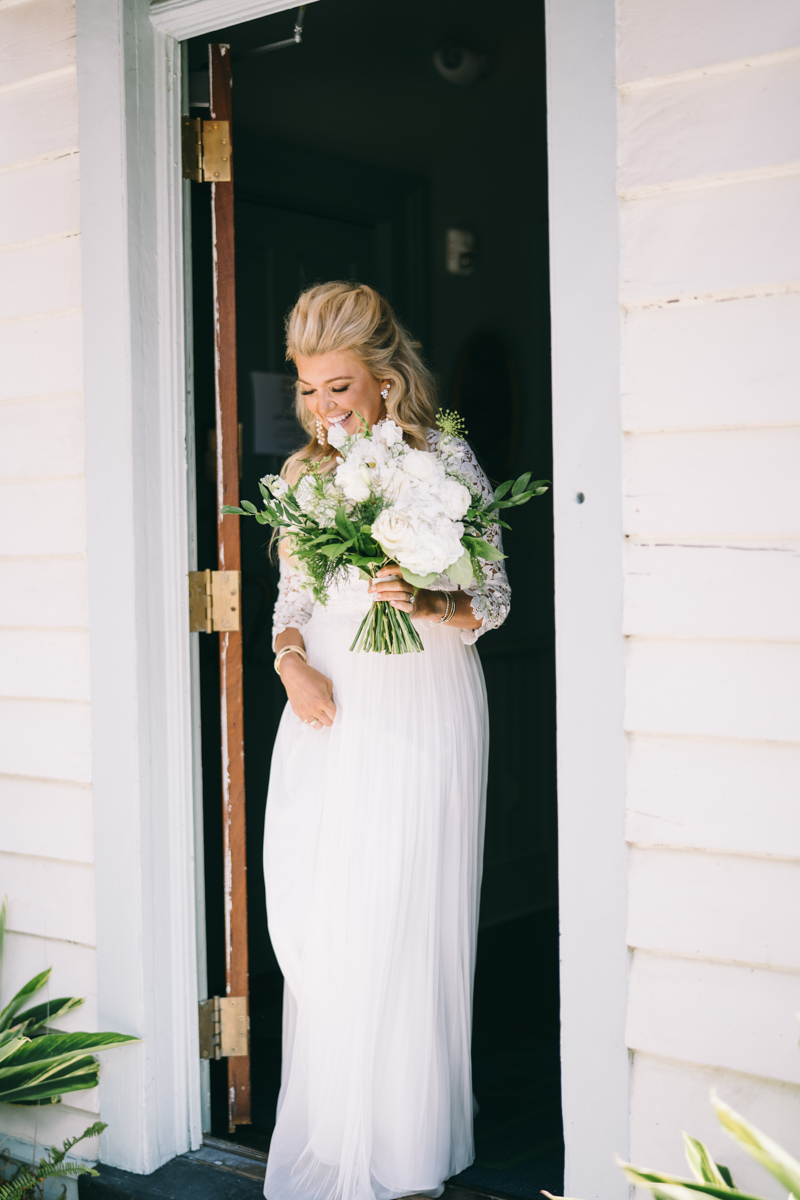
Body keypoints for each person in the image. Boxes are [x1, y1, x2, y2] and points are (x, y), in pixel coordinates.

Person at [264, 282, 510, 1200]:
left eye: (340, 389)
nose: (324, 410)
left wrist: (428, 599)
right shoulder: (300, 481)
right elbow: (290, 603)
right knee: (325, 924)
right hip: (329, 711)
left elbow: (493, 602)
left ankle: (401, 1149)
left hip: (421, 707)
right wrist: (291, 663)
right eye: (309, 391)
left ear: (385, 379)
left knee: (400, 920)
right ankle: (331, 1136)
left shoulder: (443, 459)